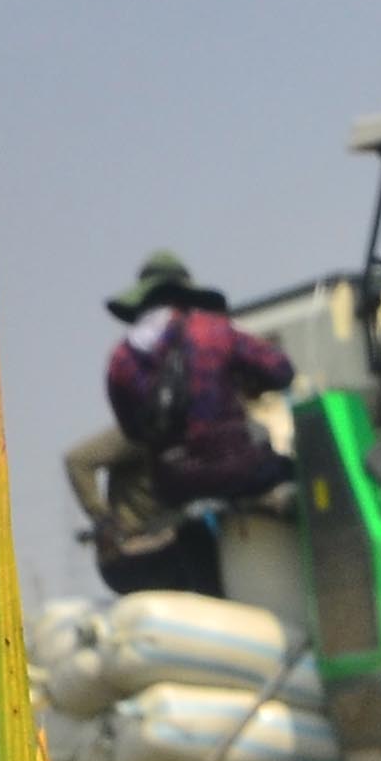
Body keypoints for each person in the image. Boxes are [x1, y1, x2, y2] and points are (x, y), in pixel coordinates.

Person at [75, 251, 295, 591]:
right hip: (238, 467)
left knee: (189, 531)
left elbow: (133, 430)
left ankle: (214, 595)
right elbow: (281, 371)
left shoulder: (121, 359)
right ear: (185, 293)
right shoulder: (214, 331)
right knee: (294, 472)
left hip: (174, 485)